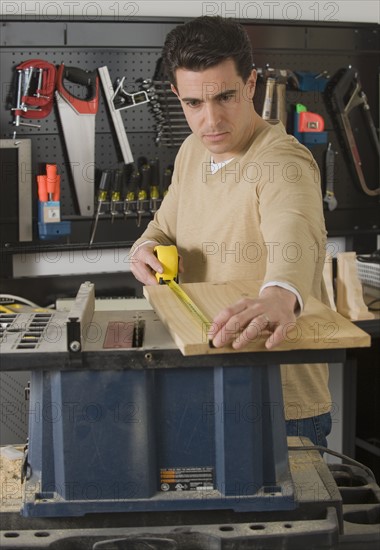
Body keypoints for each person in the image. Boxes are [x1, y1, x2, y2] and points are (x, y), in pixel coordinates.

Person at [130, 16, 332, 447]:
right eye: (194, 104)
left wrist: (280, 294)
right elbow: (164, 225)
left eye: (225, 96)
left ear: (251, 84)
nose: (211, 121)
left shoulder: (282, 162)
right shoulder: (192, 150)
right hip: (206, 382)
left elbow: (293, 235)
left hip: (279, 405)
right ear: (176, 97)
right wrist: (145, 247)